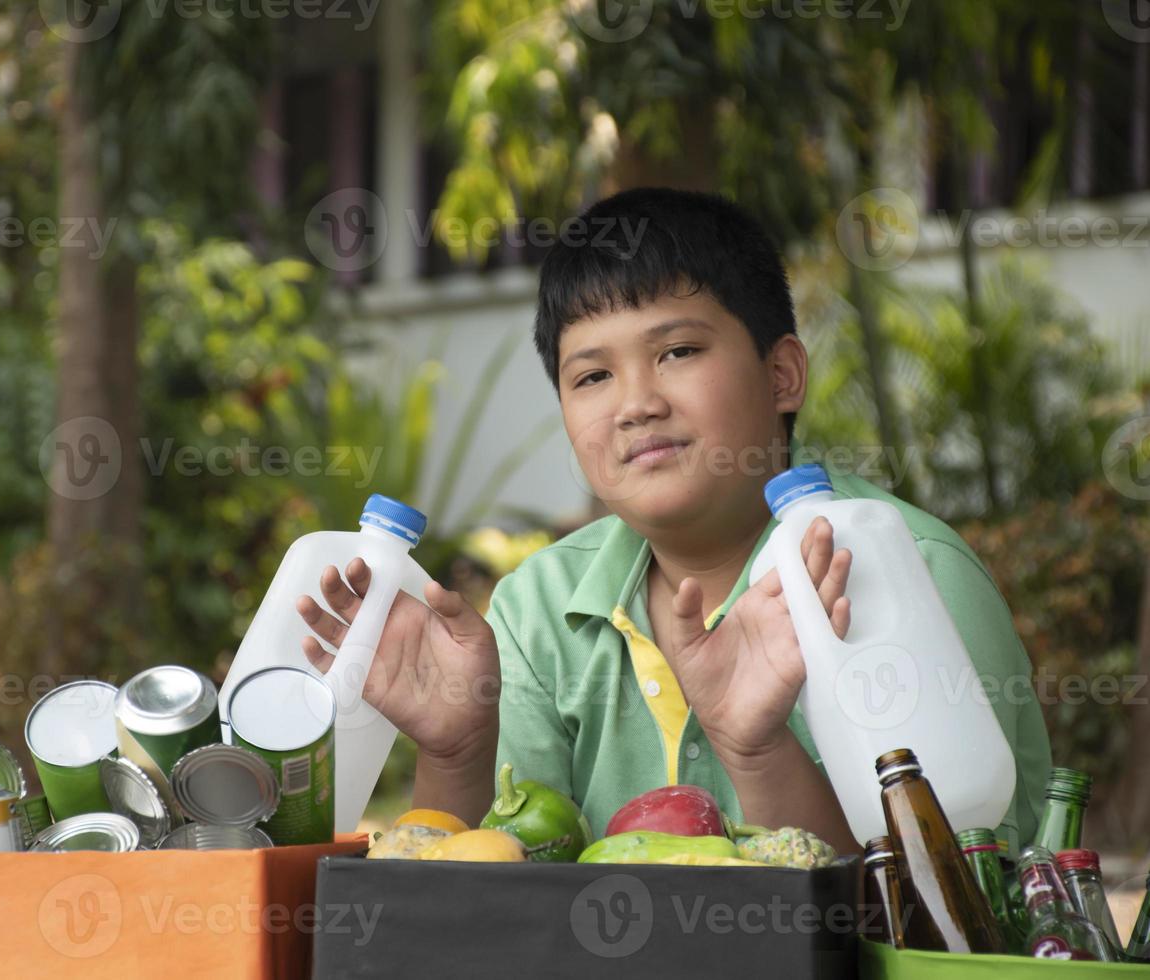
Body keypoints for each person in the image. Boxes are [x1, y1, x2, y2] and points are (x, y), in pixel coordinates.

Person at [296, 187, 1051, 854]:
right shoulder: (538, 609)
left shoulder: (900, 571)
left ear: (782, 373)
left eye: (678, 351)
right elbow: (494, 911)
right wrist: (456, 755)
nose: (635, 404)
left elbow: (956, 915)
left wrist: (756, 752)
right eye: (592, 375)